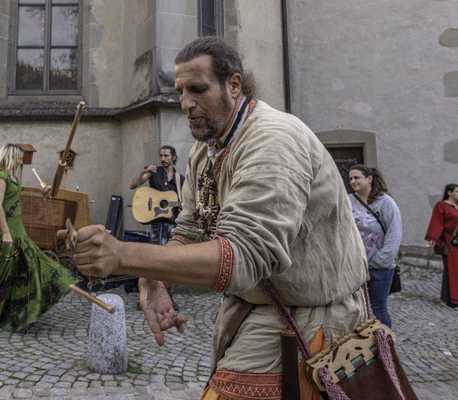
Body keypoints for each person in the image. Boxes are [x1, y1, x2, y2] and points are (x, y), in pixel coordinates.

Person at [61, 37, 367, 398]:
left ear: (233, 85)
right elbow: (189, 227)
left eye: (198, 89)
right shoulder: (204, 151)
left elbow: (245, 257)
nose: (186, 104)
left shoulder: (274, 141)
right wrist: (157, 277)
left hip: (312, 317)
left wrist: (123, 255)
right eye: (180, 91)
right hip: (256, 309)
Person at [0, 144, 76, 332]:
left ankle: (19, 310)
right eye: (19, 157)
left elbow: (17, 196)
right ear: (11, 156)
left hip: (17, 229)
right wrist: (6, 232)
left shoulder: (12, 176)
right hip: (3, 230)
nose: (21, 160)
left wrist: (44, 191)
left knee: (27, 265)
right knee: (2, 273)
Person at [348, 165, 402, 327]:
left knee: (377, 308)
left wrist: (376, 263)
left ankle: (385, 346)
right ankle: (363, 347)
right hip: (354, 267)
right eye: (350, 178)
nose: (353, 181)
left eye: (357, 177)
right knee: (355, 309)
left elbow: (394, 235)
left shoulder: (385, 203)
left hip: (378, 268)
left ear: (369, 179)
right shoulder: (348, 201)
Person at [129, 145, 185, 245]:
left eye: (166, 156)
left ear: (174, 157)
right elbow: (133, 185)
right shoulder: (153, 172)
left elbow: (185, 200)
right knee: (158, 252)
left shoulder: (180, 178)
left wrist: (185, 204)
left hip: (174, 223)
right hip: (157, 220)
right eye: (161, 156)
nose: (163, 159)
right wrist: (143, 171)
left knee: (172, 252)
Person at [425, 183, 458, 309]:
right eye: (457, 191)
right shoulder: (442, 205)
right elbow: (437, 222)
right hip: (450, 243)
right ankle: (451, 299)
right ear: (449, 193)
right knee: (452, 271)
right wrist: (433, 238)